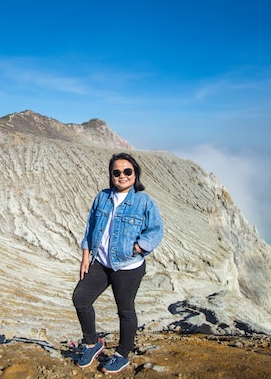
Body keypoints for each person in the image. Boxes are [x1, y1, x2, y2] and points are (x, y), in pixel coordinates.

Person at [72, 152, 164, 374]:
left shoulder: (143, 201)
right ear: (111, 175)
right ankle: (93, 343)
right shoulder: (102, 197)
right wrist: (85, 257)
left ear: (135, 174)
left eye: (127, 171)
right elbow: (90, 228)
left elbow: (156, 230)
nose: (122, 176)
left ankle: (122, 354)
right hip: (101, 263)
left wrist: (138, 248)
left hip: (128, 267)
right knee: (81, 298)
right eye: (117, 172)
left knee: (125, 310)